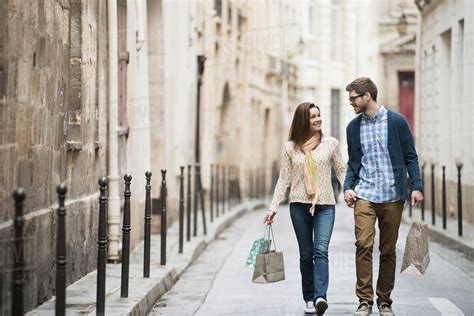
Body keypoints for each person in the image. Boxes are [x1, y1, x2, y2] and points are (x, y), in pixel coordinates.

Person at [343, 78, 424, 316]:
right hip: (365, 194)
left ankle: (384, 300)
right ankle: (365, 300)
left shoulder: (397, 121)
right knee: (363, 245)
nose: (351, 103)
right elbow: (353, 163)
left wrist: (416, 186)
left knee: (388, 249)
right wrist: (348, 186)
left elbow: (411, 156)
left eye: (353, 98)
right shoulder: (352, 127)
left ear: (367, 96)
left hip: (392, 195)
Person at [263, 102, 346, 315]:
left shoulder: (331, 144)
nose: (318, 119)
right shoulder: (290, 147)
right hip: (299, 206)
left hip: (325, 205)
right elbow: (284, 179)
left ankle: (320, 296)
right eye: (313, 117)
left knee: (321, 250)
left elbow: (342, 170)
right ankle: (308, 297)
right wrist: (273, 207)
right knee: (306, 253)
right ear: (303, 120)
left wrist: (349, 192)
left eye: (319, 115)